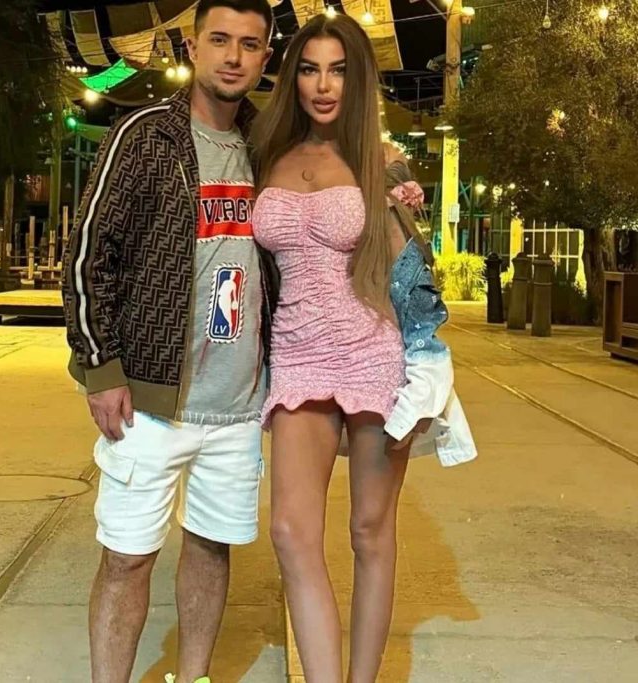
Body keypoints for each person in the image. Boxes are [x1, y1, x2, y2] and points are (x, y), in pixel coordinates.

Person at [251, 13, 476, 682]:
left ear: (359, 81)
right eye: (310, 69)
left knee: (370, 532)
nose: (323, 85)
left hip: (373, 355)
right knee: (291, 533)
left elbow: (412, 274)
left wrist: (427, 366)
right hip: (296, 357)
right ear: (293, 78)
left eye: (339, 71)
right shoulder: (266, 154)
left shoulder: (381, 160)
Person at [61, 1, 276, 682]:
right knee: (127, 557)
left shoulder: (269, 144)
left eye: (249, 44)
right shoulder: (146, 134)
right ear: (193, 46)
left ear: (265, 57)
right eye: (220, 40)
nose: (233, 57)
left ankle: (196, 675)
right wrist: (100, 368)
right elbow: (89, 254)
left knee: (211, 548)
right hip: (149, 401)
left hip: (238, 405)